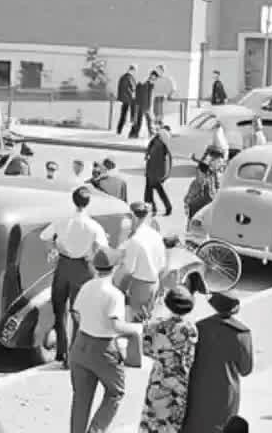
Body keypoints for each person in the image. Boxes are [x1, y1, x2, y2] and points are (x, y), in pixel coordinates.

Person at [69, 250, 142, 433]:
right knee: (115, 391)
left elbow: (76, 313)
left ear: (95, 266)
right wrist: (135, 329)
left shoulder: (86, 286)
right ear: (115, 268)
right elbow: (116, 325)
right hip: (103, 347)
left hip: (80, 344)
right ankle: (96, 430)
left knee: (81, 399)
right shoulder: (114, 294)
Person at [41, 185, 110, 365]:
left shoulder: (62, 220)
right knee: (78, 313)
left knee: (59, 309)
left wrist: (54, 249)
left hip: (63, 265)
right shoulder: (93, 226)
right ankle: (74, 354)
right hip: (83, 267)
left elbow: (45, 237)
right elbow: (103, 248)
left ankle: (61, 352)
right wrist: (91, 254)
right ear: (88, 203)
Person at [182, 292, 254, 433]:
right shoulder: (241, 333)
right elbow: (246, 370)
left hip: (198, 390)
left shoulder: (200, 327)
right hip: (225, 394)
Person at [140, 286, 200, 433]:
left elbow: (146, 350)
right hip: (180, 383)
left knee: (152, 422)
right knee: (172, 424)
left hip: (158, 380)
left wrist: (147, 324)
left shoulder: (156, 325)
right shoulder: (191, 329)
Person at [117, 201, 167, 322]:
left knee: (135, 323)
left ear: (133, 216)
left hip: (140, 286)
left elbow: (128, 269)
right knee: (147, 322)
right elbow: (162, 263)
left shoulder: (135, 240)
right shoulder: (156, 235)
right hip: (155, 283)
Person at [145, 124, 174, 217]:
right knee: (155, 190)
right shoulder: (162, 144)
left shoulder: (157, 142)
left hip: (152, 171)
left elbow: (151, 155)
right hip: (155, 172)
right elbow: (167, 162)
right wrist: (165, 175)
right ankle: (162, 207)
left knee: (151, 191)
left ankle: (153, 208)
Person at [116, 65, 138, 136]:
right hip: (128, 99)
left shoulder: (127, 77)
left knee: (124, 115)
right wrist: (132, 95)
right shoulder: (127, 77)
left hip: (127, 99)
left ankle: (120, 130)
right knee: (128, 115)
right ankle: (121, 130)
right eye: (134, 70)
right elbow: (128, 88)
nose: (134, 72)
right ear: (131, 70)